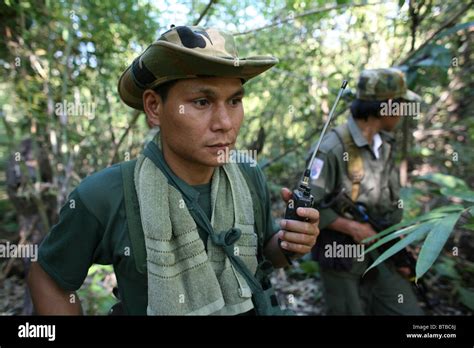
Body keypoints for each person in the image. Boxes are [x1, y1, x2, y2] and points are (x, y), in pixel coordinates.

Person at [27, 25, 320, 315]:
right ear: (154, 107)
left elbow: (267, 256)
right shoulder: (105, 195)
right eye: (202, 102)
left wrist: (290, 243)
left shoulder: (247, 175)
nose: (225, 123)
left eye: (234, 101)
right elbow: (48, 279)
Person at [308, 68, 424, 315]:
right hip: (342, 257)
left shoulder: (384, 145)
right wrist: (352, 227)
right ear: (390, 106)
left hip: (381, 250)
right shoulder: (331, 149)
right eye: (403, 105)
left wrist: (398, 242)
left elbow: (388, 199)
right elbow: (306, 205)